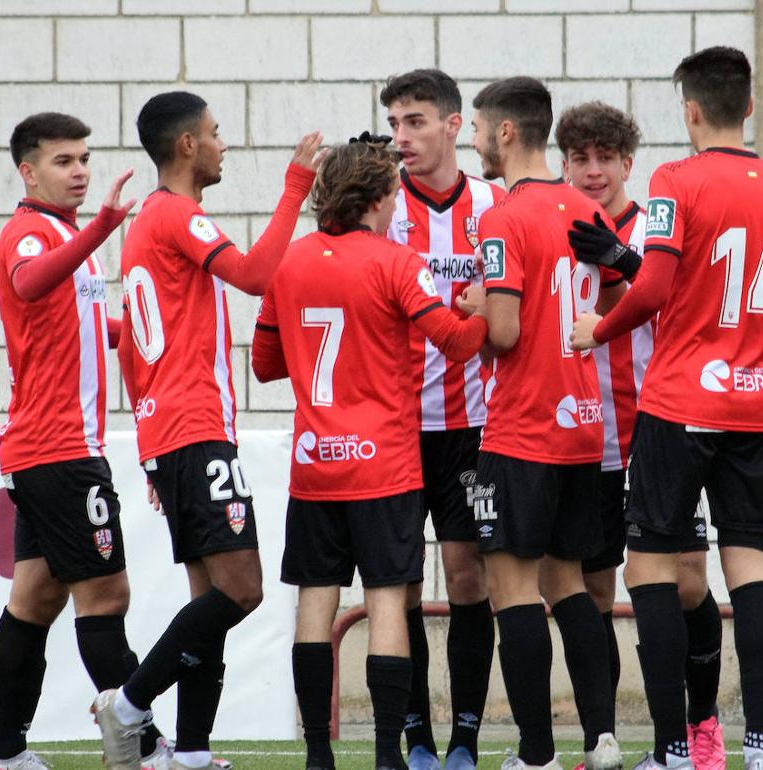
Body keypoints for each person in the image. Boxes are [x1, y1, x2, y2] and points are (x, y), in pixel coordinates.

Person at [570, 47, 763, 770]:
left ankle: (673, 749)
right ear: (751, 107)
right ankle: (758, 749)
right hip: (753, 405)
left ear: (691, 111)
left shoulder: (676, 178)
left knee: (649, 572)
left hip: (678, 404)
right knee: (750, 572)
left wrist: (597, 328)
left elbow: (657, 288)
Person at [92, 90, 325, 770]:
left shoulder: (146, 225)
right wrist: (294, 189)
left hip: (172, 434)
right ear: (187, 145)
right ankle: (130, 706)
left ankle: (190, 752)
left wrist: (150, 451)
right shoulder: (176, 216)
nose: (225, 145)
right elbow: (255, 276)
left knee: (209, 597)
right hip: (194, 430)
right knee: (242, 589)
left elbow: (136, 348)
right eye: (216, 134)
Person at [251, 133, 490, 770]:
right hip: (384, 462)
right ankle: (389, 754)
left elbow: (265, 363)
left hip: (316, 463)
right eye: (390, 195)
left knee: (315, 599)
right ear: (380, 196)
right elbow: (457, 344)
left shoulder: (292, 261)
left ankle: (318, 754)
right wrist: (486, 311)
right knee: (387, 598)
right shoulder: (397, 261)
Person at [558, 101, 728, 770]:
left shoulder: (658, 224)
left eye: (606, 158)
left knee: (686, 583)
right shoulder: (554, 228)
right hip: (588, 438)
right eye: (580, 158)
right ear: (564, 163)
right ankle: (603, 738)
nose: (593, 171)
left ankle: (701, 724)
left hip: (663, 432)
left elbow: (683, 300)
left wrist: (624, 261)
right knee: (596, 590)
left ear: (629, 163)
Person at [0, 111, 147, 770]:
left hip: (50, 452)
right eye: (63, 161)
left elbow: (79, 325)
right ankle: (149, 746)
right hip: (59, 453)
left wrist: (130, 323)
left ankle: (6, 756)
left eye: (84, 158)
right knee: (107, 596)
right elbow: (29, 282)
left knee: (35, 600)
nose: (80, 171)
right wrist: (105, 229)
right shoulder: (30, 233)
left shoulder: (65, 238)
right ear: (29, 171)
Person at [470, 76, 621, 770]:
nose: (473, 140)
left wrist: (472, 304)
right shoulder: (584, 207)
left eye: (476, 128)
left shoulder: (503, 215)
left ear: (506, 132)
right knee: (569, 585)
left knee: (513, 590)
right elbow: (621, 292)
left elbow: (502, 331)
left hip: (523, 426)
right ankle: (603, 741)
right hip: (583, 425)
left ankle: (535, 756)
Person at [380, 68, 505, 770]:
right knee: (395, 584)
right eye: (395, 123)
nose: (403, 137)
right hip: (393, 426)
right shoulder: (382, 206)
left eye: (416, 121)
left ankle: (463, 739)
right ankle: (415, 738)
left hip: (473, 427)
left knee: (466, 579)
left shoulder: (495, 203)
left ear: (454, 126)